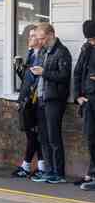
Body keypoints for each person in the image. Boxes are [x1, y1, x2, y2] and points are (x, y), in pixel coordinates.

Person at [30, 23, 71, 184]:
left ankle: (59, 173)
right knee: (44, 137)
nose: (40, 42)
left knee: (54, 137)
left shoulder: (62, 52)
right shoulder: (44, 51)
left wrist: (44, 72)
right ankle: (48, 170)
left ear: (51, 35)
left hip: (55, 99)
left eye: (42, 38)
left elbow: (64, 76)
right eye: (39, 39)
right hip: (42, 98)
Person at [12, 26, 46, 178]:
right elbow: (27, 80)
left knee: (34, 134)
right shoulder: (32, 54)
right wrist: (19, 69)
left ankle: (27, 166)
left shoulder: (42, 55)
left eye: (33, 36)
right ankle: (40, 166)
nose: (30, 38)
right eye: (30, 36)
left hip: (36, 100)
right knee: (32, 134)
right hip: (27, 99)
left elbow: (36, 80)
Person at [74, 20, 95, 191]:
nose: (92, 42)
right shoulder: (86, 48)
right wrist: (78, 96)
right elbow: (78, 71)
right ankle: (92, 172)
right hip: (89, 99)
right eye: (89, 39)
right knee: (91, 137)